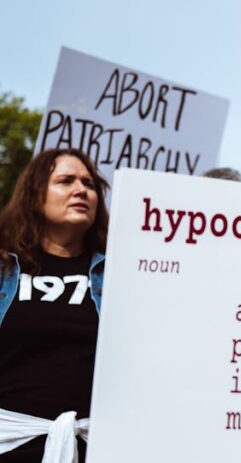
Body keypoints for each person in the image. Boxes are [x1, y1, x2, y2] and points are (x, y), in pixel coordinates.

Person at [0, 149, 109, 462]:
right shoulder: (4, 269)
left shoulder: (118, 276)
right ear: (35, 196)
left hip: (92, 450)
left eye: (89, 184)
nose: (81, 190)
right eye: (66, 180)